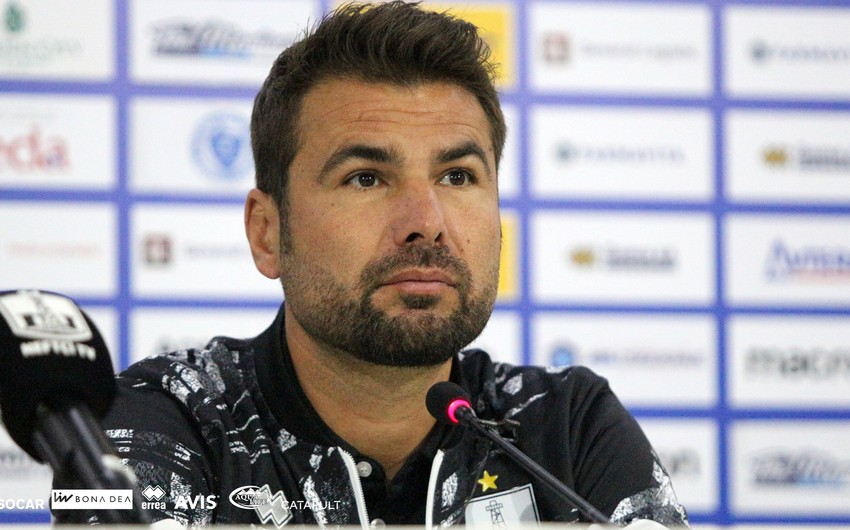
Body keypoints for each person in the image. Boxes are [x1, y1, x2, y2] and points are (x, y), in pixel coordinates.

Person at [57, 1, 688, 527]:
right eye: (366, 177)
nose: (426, 221)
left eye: (457, 176)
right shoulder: (161, 415)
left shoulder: (565, 425)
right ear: (267, 233)